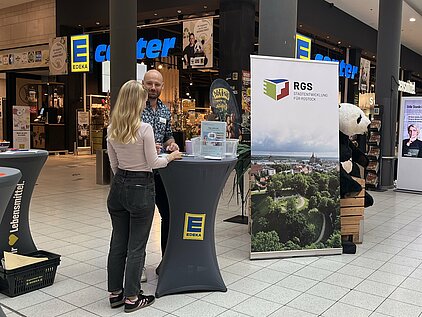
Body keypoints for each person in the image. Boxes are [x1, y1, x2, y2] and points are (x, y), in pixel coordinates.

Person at [106, 80, 181, 313]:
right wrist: (172, 157)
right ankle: (132, 298)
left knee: (118, 243)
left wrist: (125, 179)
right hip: (141, 186)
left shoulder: (111, 129)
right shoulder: (144, 129)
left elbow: (114, 165)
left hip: (118, 188)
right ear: (137, 102)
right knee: (136, 246)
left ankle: (115, 294)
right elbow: (154, 162)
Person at [142, 69, 180, 277]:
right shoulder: (136, 107)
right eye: (150, 84)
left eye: (157, 84)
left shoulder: (165, 111)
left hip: (161, 173)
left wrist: (172, 144)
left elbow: (168, 136)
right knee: (142, 219)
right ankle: (137, 266)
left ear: (162, 87)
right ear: (143, 84)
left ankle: (166, 262)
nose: (153, 88)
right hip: (141, 172)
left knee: (168, 215)